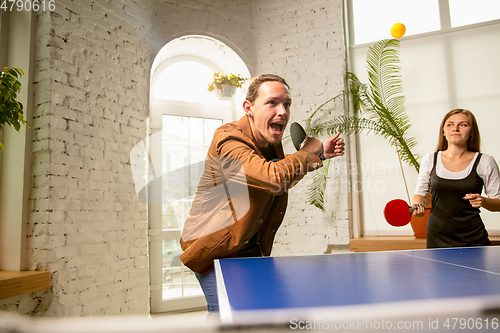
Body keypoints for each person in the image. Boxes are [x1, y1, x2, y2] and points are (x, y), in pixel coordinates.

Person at [179, 74, 345, 312]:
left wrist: (318, 154)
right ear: (249, 108)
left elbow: (279, 180)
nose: (283, 111)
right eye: (272, 102)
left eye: (286, 104)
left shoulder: (269, 141)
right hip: (215, 252)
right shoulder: (228, 140)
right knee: (227, 320)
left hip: (249, 247)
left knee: (261, 315)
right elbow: (272, 177)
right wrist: (309, 153)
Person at [412, 109, 500, 248]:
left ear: (472, 131)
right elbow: (420, 193)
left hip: (473, 238)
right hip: (437, 237)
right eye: (450, 124)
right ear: (443, 131)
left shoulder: (485, 161)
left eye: (463, 125)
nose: (456, 129)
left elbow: (498, 203)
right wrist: (418, 205)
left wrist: (483, 201)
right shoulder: (431, 159)